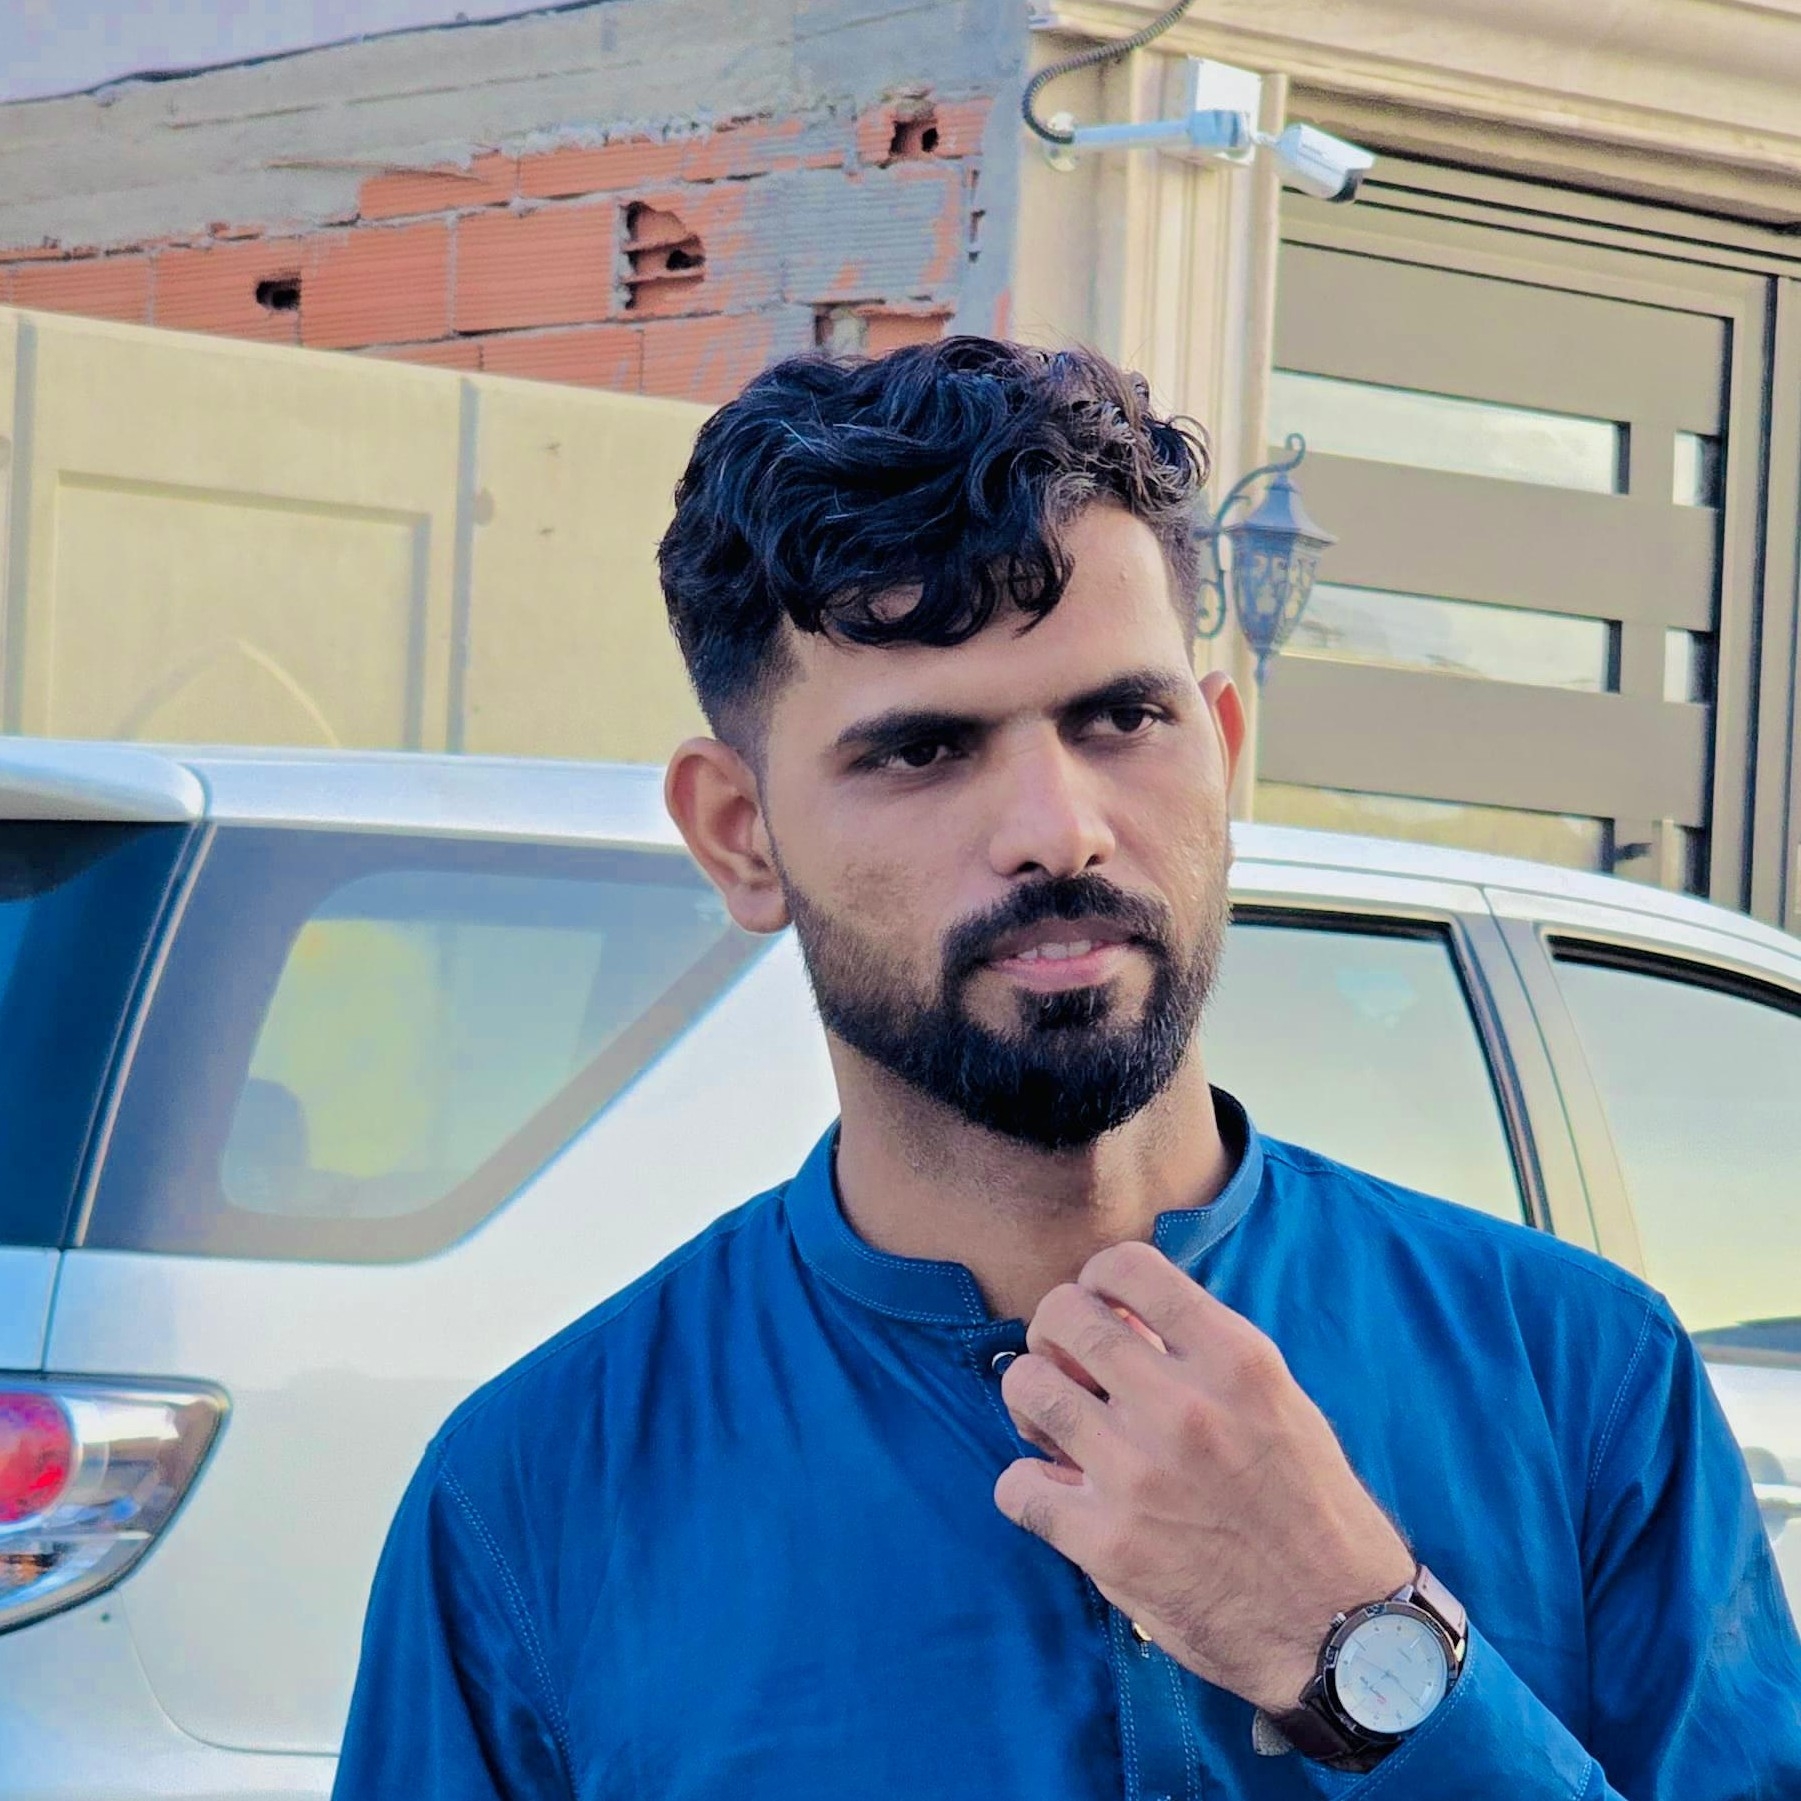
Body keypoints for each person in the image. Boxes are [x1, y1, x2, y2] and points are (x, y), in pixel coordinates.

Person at [332, 337, 1801, 1799]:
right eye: (921, 752)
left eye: (1120, 719)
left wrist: (1362, 1651)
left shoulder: (1580, 1376)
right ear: (740, 836)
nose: (1058, 829)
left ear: (1219, 749)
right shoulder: (533, 1501)